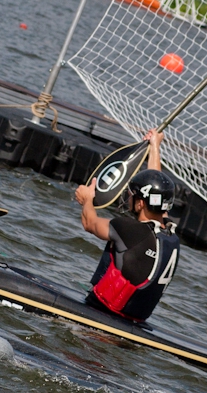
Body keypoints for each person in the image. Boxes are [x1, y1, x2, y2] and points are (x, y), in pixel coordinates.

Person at [74, 130, 179, 322]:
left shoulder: (128, 230)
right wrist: (155, 146)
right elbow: (157, 187)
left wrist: (87, 200)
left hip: (103, 312)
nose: (129, 196)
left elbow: (89, 223)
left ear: (140, 204)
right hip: (135, 319)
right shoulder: (169, 233)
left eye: (133, 194)